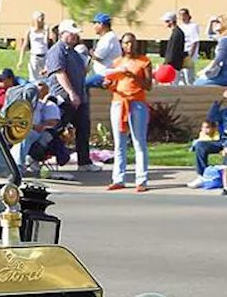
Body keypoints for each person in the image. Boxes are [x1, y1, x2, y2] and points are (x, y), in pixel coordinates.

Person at [103, 32, 152, 192]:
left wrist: (133, 76)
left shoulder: (144, 61)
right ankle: (118, 178)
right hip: (119, 102)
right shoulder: (117, 62)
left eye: (131, 43)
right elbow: (112, 82)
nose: (129, 46)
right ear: (122, 45)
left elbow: (148, 85)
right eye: (125, 43)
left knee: (139, 142)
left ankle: (141, 180)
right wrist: (107, 83)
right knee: (119, 143)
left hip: (137, 103)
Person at [45, 20, 97, 171]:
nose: (74, 36)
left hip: (79, 98)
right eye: (71, 33)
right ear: (62, 33)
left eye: (76, 34)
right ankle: (37, 155)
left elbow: (82, 72)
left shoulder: (73, 52)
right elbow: (60, 73)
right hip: (64, 99)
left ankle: (84, 162)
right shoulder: (57, 51)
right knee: (55, 128)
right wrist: (71, 93)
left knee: (83, 129)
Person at [194, 16, 227, 86]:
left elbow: (218, 59)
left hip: (226, 75)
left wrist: (205, 70)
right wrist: (210, 22)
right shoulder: (226, 39)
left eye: (218, 22)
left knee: (197, 84)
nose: (215, 24)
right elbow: (209, 34)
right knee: (199, 82)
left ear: (224, 25)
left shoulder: (225, 40)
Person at [84, 13, 120, 89]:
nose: (94, 26)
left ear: (101, 24)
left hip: (104, 74)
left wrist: (91, 53)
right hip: (103, 73)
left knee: (81, 84)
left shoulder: (108, 38)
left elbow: (98, 57)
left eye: (95, 23)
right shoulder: (110, 37)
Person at [16, 11, 50, 82]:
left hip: (45, 55)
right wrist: (20, 60)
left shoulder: (45, 29)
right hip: (34, 56)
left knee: (45, 77)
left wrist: (46, 32)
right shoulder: (30, 31)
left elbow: (46, 42)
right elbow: (25, 45)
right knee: (34, 78)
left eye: (43, 18)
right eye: (40, 17)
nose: (42, 19)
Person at [176, 8, 200, 85]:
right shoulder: (180, 27)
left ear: (188, 15)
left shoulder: (193, 26)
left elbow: (195, 41)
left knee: (188, 77)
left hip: (189, 53)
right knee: (180, 76)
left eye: (184, 15)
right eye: (180, 15)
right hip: (181, 53)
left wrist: (191, 55)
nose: (182, 17)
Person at [161, 12, 185, 85]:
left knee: (172, 85)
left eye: (166, 21)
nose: (164, 23)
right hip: (175, 65)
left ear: (171, 21)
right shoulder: (177, 32)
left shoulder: (177, 33)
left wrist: (167, 63)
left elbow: (173, 50)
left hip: (173, 65)